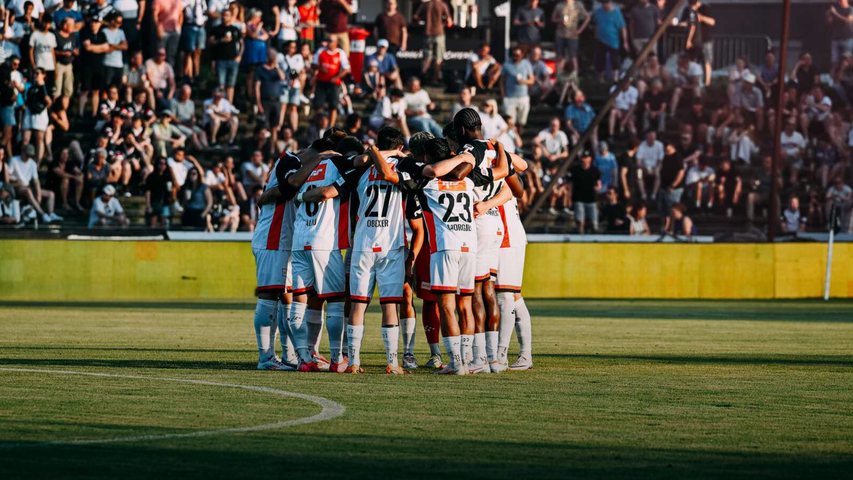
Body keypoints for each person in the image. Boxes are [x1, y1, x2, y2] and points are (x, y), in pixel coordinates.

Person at [9, 144, 62, 223]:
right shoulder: (14, 160)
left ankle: (51, 214)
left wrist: (38, 194)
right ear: (23, 152)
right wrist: (14, 179)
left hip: (27, 186)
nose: (28, 157)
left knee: (50, 194)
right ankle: (43, 214)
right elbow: (7, 174)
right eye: (27, 155)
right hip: (16, 187)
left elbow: (36, 181)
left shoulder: (32, 163)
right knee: (28, 191)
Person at [312, 34, 349, 127]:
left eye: (330, 40)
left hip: (334, 83)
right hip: (321, 82)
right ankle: (319, 124)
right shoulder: (321, 51)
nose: (328, 42)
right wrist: (320, 68)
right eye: (328, 40)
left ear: (336, 42)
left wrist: (336, 77)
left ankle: (331, 126)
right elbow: (313, 64)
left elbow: (346, 68)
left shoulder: (340, 53)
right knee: (318, 105)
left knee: (333, 105)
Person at [208, 8, 243, 104]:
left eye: (227, 15)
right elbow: (210, 42)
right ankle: (220, 105)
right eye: (223, 15)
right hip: (220, 60)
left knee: (231, 85)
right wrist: (220, 40)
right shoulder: (216, 29)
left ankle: (229, 107)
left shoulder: (235, 29)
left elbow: (241, 43)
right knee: (221, 85)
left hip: (233, 60)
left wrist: (239, 55)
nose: (224, 17)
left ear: (231, 17)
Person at [414, 0, 451, 86]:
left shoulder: (425, 5)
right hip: (439, 33)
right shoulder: (442, 5)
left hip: (427, 33)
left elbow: (416, 17)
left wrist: (425, 20)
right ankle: (436, 79)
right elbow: (449, 21)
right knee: (438, 58)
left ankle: (423, 77)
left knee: (427, 58)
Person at [254, 47, 285, 150]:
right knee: (263, 128)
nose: (273, 57)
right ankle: (261, 150)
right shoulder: (260, 69)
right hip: (264, 100)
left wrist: (276, 66)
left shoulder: (277, 69)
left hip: (276, 101)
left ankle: (271, 149)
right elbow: (257, 87)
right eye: (271, 55)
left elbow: (282, 78)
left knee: (274, 128)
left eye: (274, 55)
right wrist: (258, 103)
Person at [79, 13, 109, 118]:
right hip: (87, 65)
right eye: (92, 22)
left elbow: (106, 47)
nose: (94, 24)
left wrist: (94, 47)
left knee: (96, 90)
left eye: (96, 22)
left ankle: (94, 113)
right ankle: (81, 113)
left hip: (98, 66)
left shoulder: (102, 35)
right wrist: (100, 48)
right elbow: (88, 47)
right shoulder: (85, 33)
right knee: (85, 90)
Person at [500, 47, 533, 135]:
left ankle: (519, 143)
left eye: (518, 55)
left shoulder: (526, 64)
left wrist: (523, 81)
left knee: (521, 123)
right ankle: (513, 143)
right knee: (511, 123)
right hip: (510, 97)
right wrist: (504, 96)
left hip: (523, 96)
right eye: (514, 55)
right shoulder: (506, 65)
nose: (516, 57)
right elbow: (502, 81)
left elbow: (532, 80)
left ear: (522, 55)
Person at [592, 0, 628, 83]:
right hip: (600, 39)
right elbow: (596, 24)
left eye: (607, 4)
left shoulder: (616, 12)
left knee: (615, 59)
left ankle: (615, 78)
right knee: (600, 60)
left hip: (613, 40)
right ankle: (600, 79)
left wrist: (625, 42)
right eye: (604, 4)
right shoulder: (599, 11)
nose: (605, 6)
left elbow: (622, 27)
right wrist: (595, 35)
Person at [680, 0, 714, 86]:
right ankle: (693, 81)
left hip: (705, 39)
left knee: (706, 61)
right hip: (694, 41)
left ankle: (707, 83)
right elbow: (684, 22)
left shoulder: (705, 8)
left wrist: (702, 18)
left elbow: (712, 21)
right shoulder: (688, 10)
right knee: (693, 61)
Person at [551, 0, 589, 73]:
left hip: (573, 35)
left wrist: (580, 30)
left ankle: (574, 76)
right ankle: (559, 75)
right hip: (560, 34)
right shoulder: (559, 5)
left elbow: (587, 17)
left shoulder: (577, 5)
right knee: (559, 56)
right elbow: (553, 18)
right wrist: (560, 21)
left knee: (573, 56)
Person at [568, 150, 601, 234]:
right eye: (584, 157)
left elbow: (599, 183)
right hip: (578, 198)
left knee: (594, 221)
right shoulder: (575, 170)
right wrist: (569, 198)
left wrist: (598, 188)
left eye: (587, 157)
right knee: (580, 221)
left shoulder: (594, 170)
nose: (585, 160)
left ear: (590, 159)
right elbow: (571, 185)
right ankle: (581, 236)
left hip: (591, 198)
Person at [23, 68, 52, 162]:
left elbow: (49, 103)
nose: (35, 75)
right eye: (34, 73)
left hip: (40, 113)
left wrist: (48, 102)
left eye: (38, 73)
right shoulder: (31, 88)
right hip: (30, 112)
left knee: (39, 138)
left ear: (43, 75)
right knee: (25, 139)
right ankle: (24, 159)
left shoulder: (47, 87)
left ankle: (38, 162)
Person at [53, 16, 77, 111]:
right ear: (65, 25)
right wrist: (62, 53)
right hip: (59, 64)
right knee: (57, 90)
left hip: (69, 65)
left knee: (68, 91)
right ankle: (54, 112)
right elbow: (52, 51)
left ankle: (64, 112)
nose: (73, 27)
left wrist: (75, 52)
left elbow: (75, 48)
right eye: (71, 25)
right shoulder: (56, 35)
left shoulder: (73, 36)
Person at [179, 0, 207, 81]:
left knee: (198, 51)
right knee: (189, 51)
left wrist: (204, 20)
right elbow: (180, 8)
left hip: (201, 26)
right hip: (190, 25)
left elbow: (204, 11)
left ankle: (196, 74)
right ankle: (187, 74)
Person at [28, 16, 56, 94]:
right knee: (39, 89)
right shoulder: (35, 35)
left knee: (50, 89)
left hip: (50, 67)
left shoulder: (52, 36)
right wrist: (33, 65)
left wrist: (55, 67)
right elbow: (31, 51)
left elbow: (52, 52)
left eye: (49, 23)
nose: (47, 25)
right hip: (40, 66)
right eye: (46, 23)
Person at [656, 144, 684, 218]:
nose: (666, 151)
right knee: (664, 212)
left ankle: (674, 227)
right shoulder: (665, 156)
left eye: (667, 149)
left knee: (673, 210)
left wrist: (673, 185)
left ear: (672, 147)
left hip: (674, 189)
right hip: (664, 187)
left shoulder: (677, 157)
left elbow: (681, 173)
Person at [153, 0, 183, 66]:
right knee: (160, 54)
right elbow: (155, 15)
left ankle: (170, 73)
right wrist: (158, 28)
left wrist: (179, 26)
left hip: (175, 32)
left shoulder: (178, 1)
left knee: (171, 55)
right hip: (163, 31)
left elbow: (181, 14)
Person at [827, 0, 853, 66]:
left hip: (847, 38)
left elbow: (848, 20)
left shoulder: (850, 9)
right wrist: (829, 14)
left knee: (847, 61)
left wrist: (836, 13)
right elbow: (829, 22)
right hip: (836, 39)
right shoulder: (836, 9)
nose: (840, 2)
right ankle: (834, 75)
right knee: (834, 61)